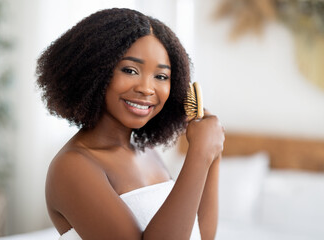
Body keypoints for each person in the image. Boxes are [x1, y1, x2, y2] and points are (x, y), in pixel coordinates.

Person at [36, 8, 225, 240]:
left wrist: (212, 156)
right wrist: (199, 154)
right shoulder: (73, 166)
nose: (146, 88)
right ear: (94, 71)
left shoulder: (147, 153)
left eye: (161, 76)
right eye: (130, 70)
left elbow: (199, 235)